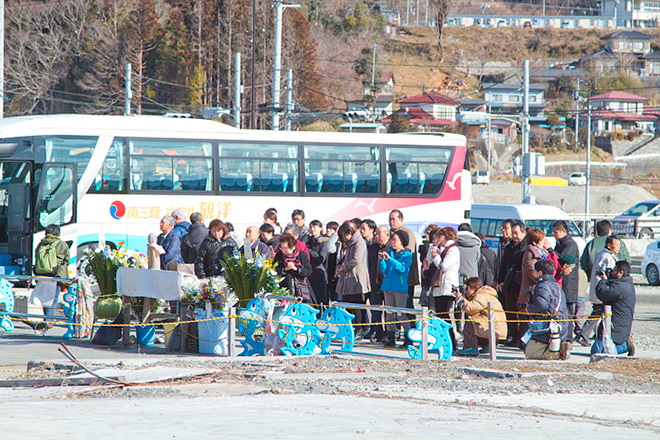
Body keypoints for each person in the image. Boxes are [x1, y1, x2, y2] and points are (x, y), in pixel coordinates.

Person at [575, 235, 621, 347]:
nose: (618, 248)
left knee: (600, 312)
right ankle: (584, 335)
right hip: (602, 290)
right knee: (598, 312)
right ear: (609, 245)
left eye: (619, 245)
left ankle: (594, 335)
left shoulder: (602, 254)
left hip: (597, 289)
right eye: (616, 245)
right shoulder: (608, 257)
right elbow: (609, 275)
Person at [524, 259, 571, 361]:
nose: (534, 273)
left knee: (529, 352)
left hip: (548, 326)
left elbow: (541, 304)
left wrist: (529, 309)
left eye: (535, 271)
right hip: (560, 324)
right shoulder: (556, 285)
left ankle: (557, 354)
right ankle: (558, 350)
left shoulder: (542, 285)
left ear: (540, 272)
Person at [31, 224, 70, 334]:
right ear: (58, 233)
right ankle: (48, 320)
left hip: (41, 274)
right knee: (53, 298)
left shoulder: (41, 243)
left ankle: (47, 319)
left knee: (45, 298)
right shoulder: (61, 244)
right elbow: (66, 259)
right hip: (55, 275)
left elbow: (36, 256)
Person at [592, 261, 636, 356]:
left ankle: (626, 346)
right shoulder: (626, 284)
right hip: (618, 325)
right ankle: (624, 344)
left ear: (620, 273)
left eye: (614, 271)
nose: (612, 273)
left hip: (616, 327)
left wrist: (603, 280)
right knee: (598, 349)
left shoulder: (621, 286)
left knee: (598, 351)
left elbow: (602, 293)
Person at [336, 221, 371, 337]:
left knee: (357, 305)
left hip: (357, 278)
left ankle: (360, 328)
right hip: (348, 278)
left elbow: (356, 259)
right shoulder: (351, 243)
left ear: (349, 233)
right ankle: (351, 328)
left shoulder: (359, 242)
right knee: (349, 304)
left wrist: (343, 267)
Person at [455, 277, 507, 356]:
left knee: (470, 321)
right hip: (496, 328)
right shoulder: (485, 294)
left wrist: (460, 298)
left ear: (472, 287)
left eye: (467, 288)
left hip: (494, 329)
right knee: (477, 319)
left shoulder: (481, 295)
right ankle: (488, 345)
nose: (466, 291)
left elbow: (470, 308)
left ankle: (471, 347)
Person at [380, 229, 413, 348]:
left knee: (401, 314)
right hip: (388, 287)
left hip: (399, 288)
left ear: (402, 242)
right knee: (389, 314)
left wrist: (390, 259)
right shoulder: (390, 253)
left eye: (395, 240)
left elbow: (402, 268)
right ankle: (391, 338)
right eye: (392, 239)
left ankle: (408, 339)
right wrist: (382, 261)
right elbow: (384, 270)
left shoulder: (407, 255)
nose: (392, 242)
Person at [430, 227, 460, 349]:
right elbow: (428, 260)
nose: (437, 239)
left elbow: (444, 266)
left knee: (445, 316)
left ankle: (452, 342)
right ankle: (443, 340)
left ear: (444, 236)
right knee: (439, 315)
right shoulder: (443, 249)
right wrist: (433, 249)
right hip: (439, 287)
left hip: (447, 287)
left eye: (439, 236)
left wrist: (436, 256)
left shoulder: (453, 250)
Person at [498, 221, 527, 347]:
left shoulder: (526, 247)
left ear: (523, 233)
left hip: (522, 284)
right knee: (510, 311)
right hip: (510, 284)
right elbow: (503, 265)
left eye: (516, 233)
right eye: (513, 233)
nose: (514, 236)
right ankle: (513, 336)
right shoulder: (509, 247)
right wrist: (500, 280)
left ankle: (522, 339)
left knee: (522, 313)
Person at [389, 210, 419, 320]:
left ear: (401, 220)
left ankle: (411, 329)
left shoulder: (407, 232)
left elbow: (407, 252)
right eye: (390, 219)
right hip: (394, 275)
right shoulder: (390, 233)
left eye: (394, 219)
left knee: (407, 303)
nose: (391, 221)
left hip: (406, 275)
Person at [552, 220, 580, 338]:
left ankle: (568, 337)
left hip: (568, 283)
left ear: (563, 231)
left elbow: (563, 259)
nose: (554, 234)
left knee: (568, 311)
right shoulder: (560, 243)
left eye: (556, 232)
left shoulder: (570, 245)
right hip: (560, 282)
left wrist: (550, 250)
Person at [273, 232, 314, 302]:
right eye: (281, 248)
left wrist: (296, 269)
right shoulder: (279, 255)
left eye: (285, 248)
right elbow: (275, 271)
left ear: (292, 247)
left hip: (301, 288)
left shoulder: (302, 255)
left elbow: (308, 271)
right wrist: (285, 269)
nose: (283, 250)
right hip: (285, 287)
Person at [367, 224, 390, 342]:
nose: (376, 236)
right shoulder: (372, 248)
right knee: (375, 310)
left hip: (387, 284)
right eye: (376, 233)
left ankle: (388, 333)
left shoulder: (391, 247)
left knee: (388, 311)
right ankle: (377, 331)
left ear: (387, 234)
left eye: (379, 233)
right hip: (374, 283)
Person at [304, 220, 329, 305]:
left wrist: (307, 250)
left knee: (321, 299)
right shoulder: (309, 240)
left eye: (315, 227)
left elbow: (320, 258)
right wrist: (305, 235)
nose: (312, 229)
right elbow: (300, 245)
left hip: (319, 272)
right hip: (309, 272)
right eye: (311, 227)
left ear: (320, 228)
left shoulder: (324, 241)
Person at [419, 224, 440, 307]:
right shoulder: (426, 246)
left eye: (428, 233)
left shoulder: (432, 247)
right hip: (426, 278)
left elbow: (428, 261)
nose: (426, 235)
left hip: (432, 279)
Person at [325, 221, 340, 301]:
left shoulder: (337, 243)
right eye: (327, 228)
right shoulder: (322, 241)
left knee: (335, 298)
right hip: (326, 274)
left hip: (334, 273)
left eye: (331, 229)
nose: (328, 230)